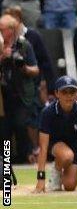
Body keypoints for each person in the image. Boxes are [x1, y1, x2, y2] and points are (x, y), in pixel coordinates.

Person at [34, 76, 77, 192]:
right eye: (64, 92)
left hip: (76, 145)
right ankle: (56, 171)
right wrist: (40, 179)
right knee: (66, 156)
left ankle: (62, 169)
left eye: (72, 92)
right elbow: (43, 147)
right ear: (57, 93)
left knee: (70, 186)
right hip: (55, 144)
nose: (68, 95)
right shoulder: (47, 112)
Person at [0, 14, 39, 164]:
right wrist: (3, 57)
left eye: (2, 29)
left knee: (21, 124)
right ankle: (6, 161)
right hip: (3, 96)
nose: (0, 32)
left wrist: (23, 68)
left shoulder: (24, 45)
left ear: (11, 30)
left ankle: (26, 155)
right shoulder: (0, 45)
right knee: (5, 130)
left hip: (21, 94)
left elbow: (35, 70)